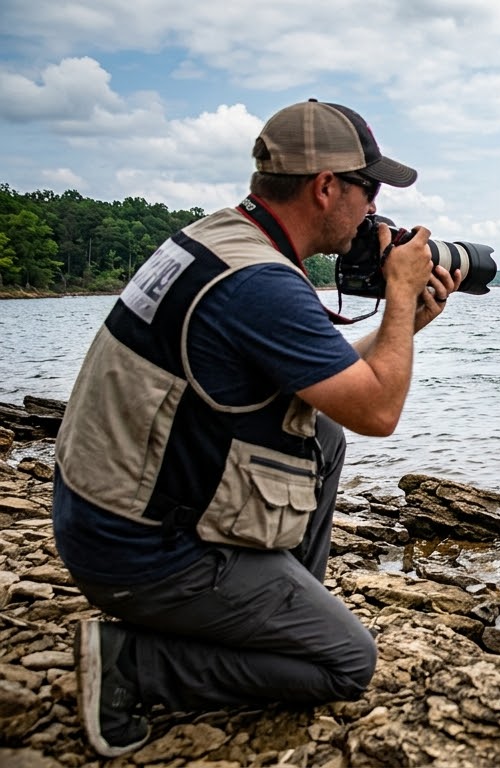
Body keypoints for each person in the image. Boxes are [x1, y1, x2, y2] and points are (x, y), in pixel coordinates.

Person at [50, 99, 458, 758]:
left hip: (103, 513)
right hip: (138, 552)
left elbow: (333, 384)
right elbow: (380, 412)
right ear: (325, 187)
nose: (373, 209)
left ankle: (276, 615)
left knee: (322, 434)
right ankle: (133, 664)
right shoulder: (260, 284)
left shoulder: (222, 239)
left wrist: (403, 324)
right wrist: (400, 295)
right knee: (346, 663)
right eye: (368, 188)